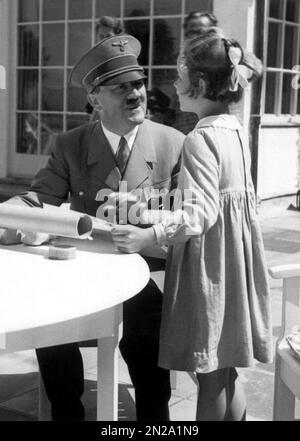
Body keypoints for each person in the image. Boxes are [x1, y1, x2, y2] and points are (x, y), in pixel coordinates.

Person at [0, 35, 184, 420]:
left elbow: (188, 213)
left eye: (138, 83)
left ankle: (155, 421)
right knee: (49, 322)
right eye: (120, 87)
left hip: (151, 268)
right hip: (90, 266)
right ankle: (67, 412)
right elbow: (40, 200)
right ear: (96, 99)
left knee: (144, 339)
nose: (135, 94)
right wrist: (13, 216)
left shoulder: (174, 143)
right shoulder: (70, 144)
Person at [111, 28, 273, 421]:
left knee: (209, 375)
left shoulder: (199, 138)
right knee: (223, 370)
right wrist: (149, 209)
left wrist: (147, 234)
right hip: (235, 266)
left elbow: (200, 215)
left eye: (179, 77)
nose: (173, 84)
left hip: (209, 273)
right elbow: (218, 203)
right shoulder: (233, 130)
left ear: (198, 84)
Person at [172, 12, 219, 135]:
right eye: (190, 32)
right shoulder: (183, 60)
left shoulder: (223, 58)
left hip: (211, 130)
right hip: (183, 131)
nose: (194, 37)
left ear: (212, 32)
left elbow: (252, 71)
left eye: (200, 32)